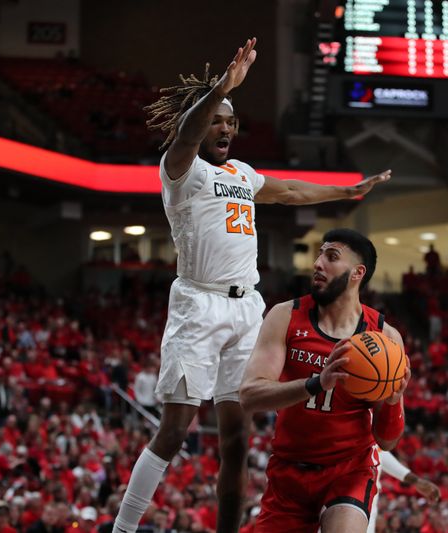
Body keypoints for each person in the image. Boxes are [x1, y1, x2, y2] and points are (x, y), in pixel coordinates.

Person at [112, 39, 390, 533]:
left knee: (237, 439)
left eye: (231, 121)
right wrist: (222, 87)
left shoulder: (242, 173)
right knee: (175, 430)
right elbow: (186, 134)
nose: (225, 128)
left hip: (246, 309)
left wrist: (345, 191)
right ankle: (123, 528)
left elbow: (290, 191)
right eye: (217, 120)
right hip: (198, 304)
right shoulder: (181, 170)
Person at [240, 228, 409, 533]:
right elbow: (250, 395)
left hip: (349, 470)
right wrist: (317, 383)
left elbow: (387, 440)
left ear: (358, 273)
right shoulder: (285, 315)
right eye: (319, 253)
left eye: (331, 257)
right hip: (289, 471)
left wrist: (394, 401)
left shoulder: (385, 337)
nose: (318, 263)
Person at [366, 448, 440, 533]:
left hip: (369, 504)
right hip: (356, 498)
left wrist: (416, 481)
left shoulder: (374, 445)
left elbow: (378, 452)